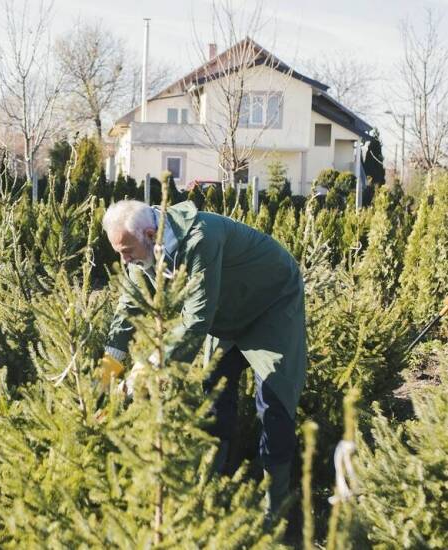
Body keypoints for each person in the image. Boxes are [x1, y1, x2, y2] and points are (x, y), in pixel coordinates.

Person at [99, 199, 307, 517]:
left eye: (126, 250)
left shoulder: (200, 238)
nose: (123, 259)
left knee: (274, 406)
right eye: (119, 252)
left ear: (151, 235)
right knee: (214, 397)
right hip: (224, 313)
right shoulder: (137, 256)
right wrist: (105, 376)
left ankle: (275, 513)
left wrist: (147, 368)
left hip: (270, 305)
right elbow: (126, 310)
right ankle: (214, 498)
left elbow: (196, 321)